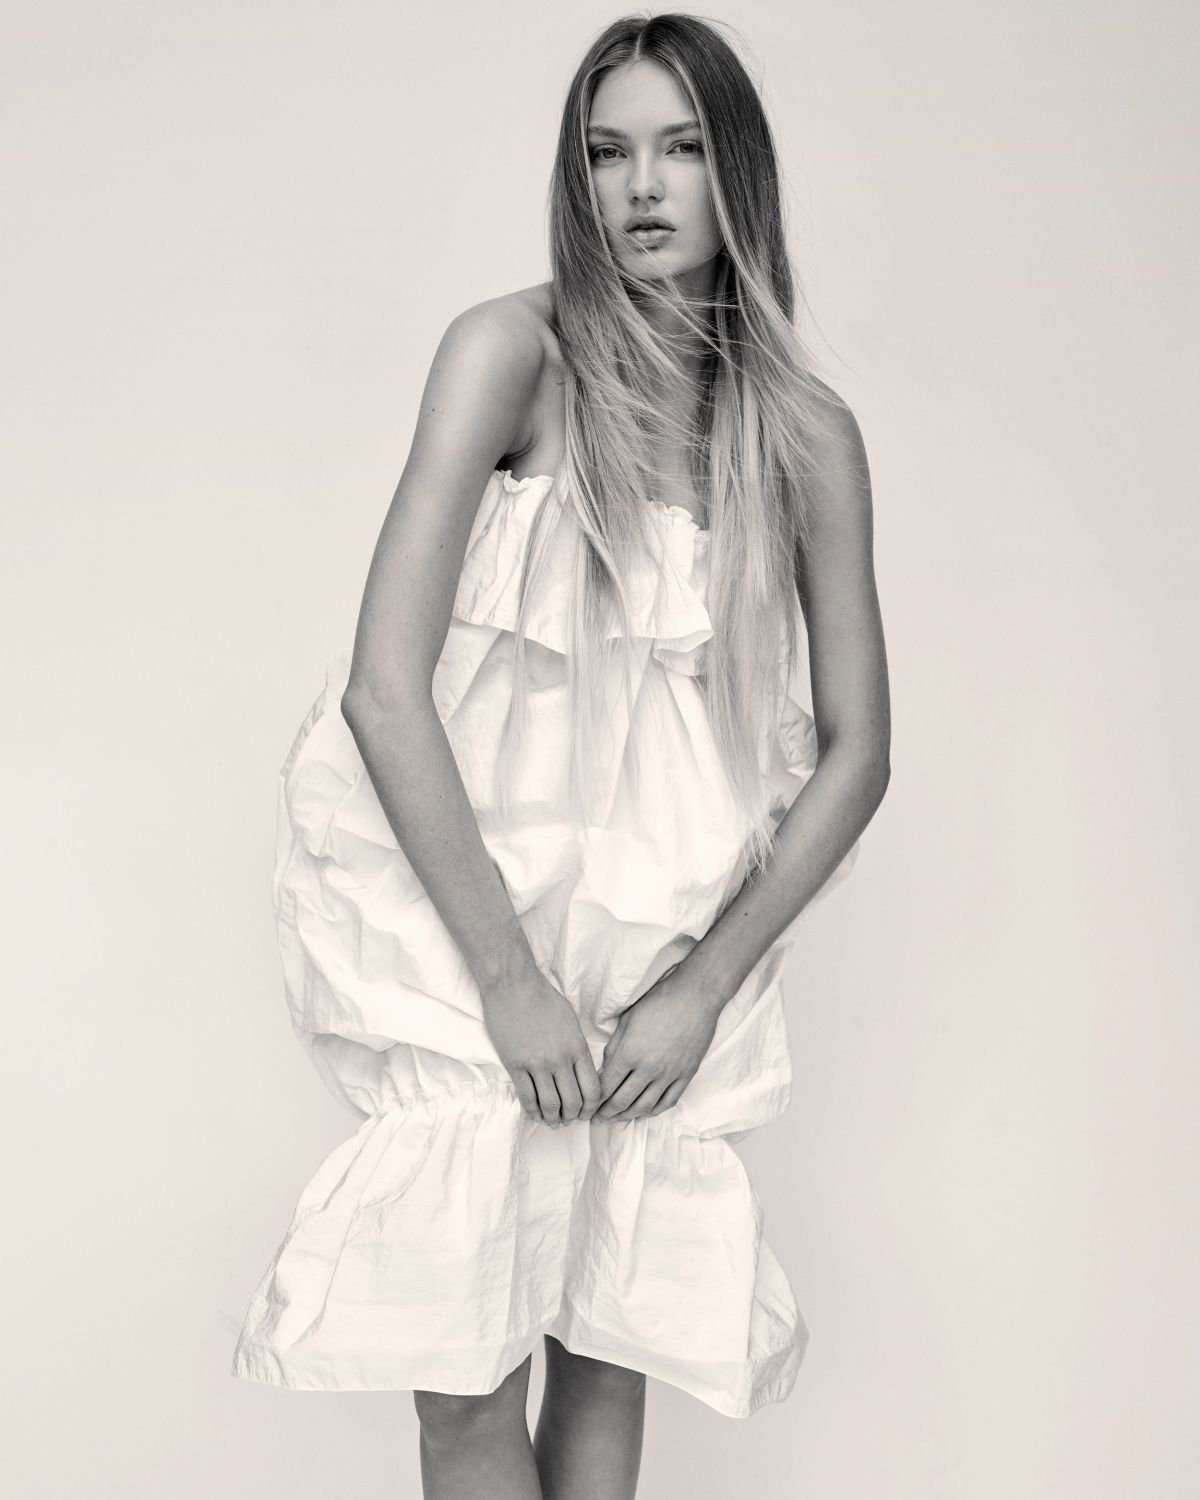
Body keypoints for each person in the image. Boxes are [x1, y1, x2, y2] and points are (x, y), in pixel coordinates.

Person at [232, 13, 890, 1499]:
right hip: (471, 918)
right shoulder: (508, 354)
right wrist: (508, 980)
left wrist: (700, 990)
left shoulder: (804, 433)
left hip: (659, 936)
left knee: (604, 1352)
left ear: (738, 174)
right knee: (464, 1376)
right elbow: (384, 693)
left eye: (681, 149)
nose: (641, 188)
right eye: (607, 152)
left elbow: (860, 752)